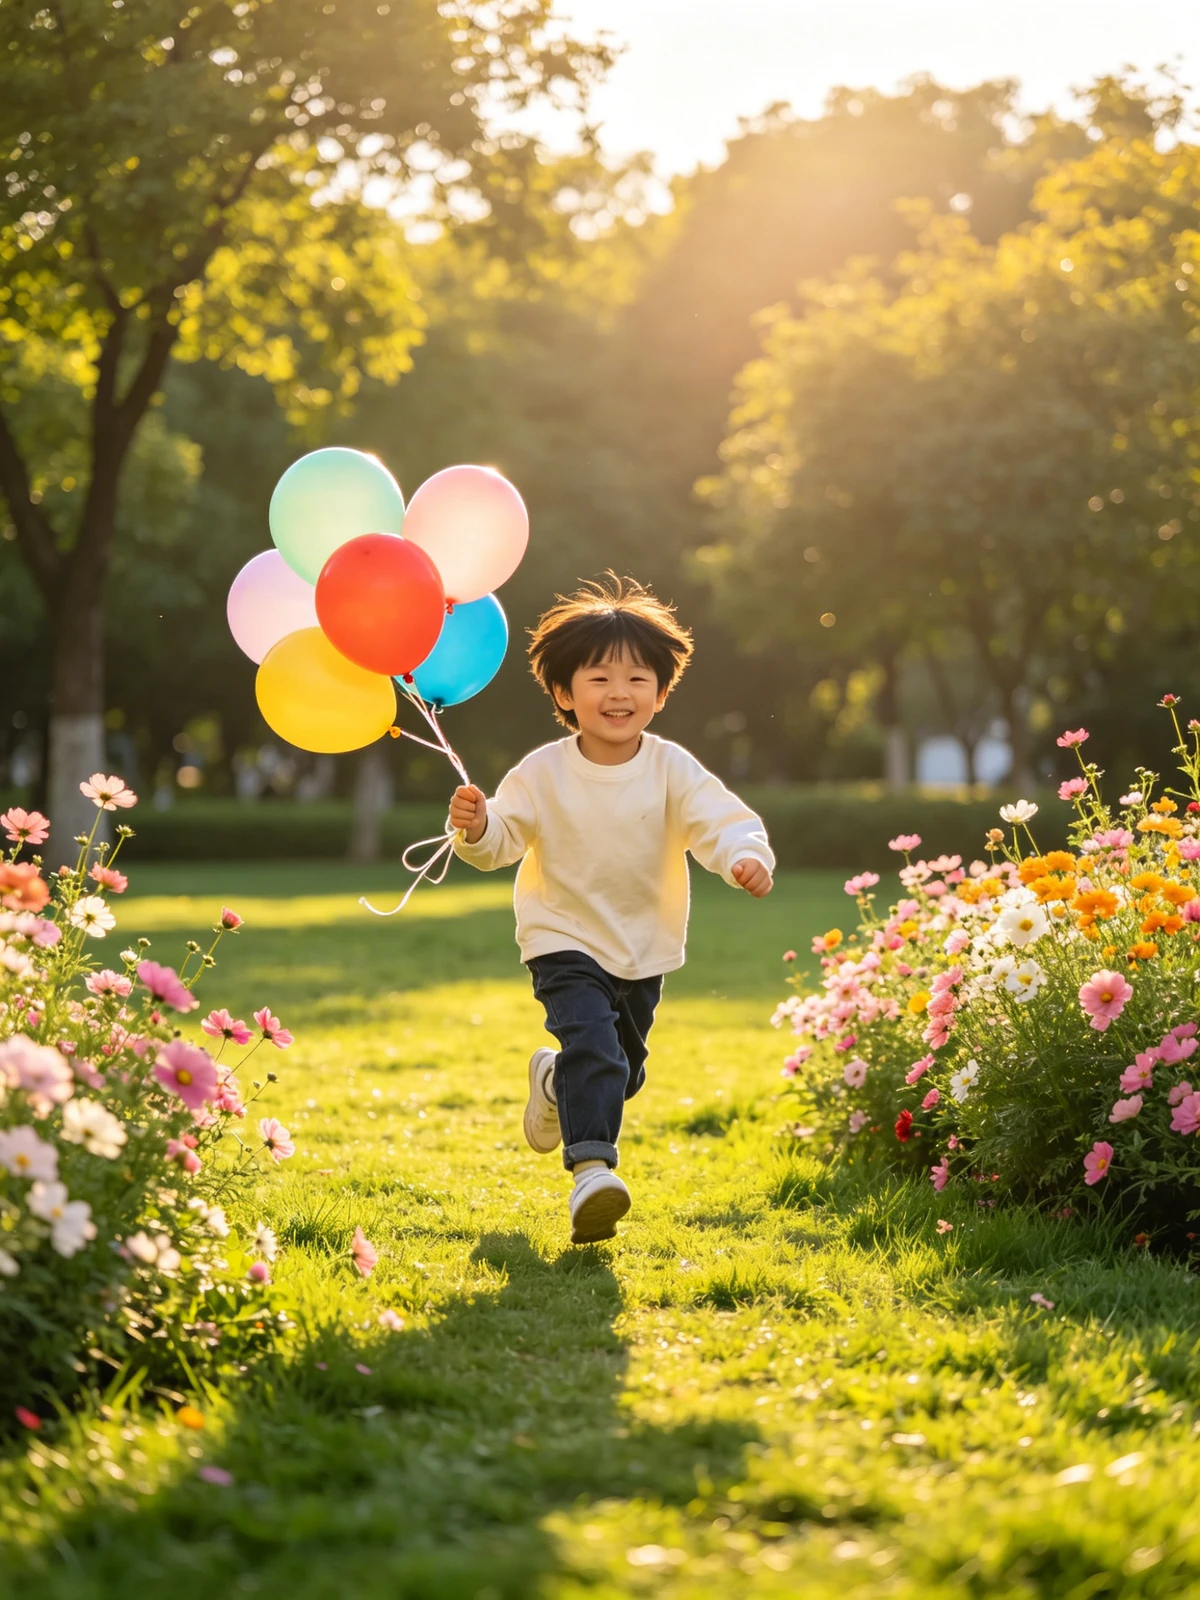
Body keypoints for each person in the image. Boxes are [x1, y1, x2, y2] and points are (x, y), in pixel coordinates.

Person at [448, 575, 774, 1244]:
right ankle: (592, 1171)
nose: (619, 693)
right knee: (594, 1049)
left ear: (659, 692)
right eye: (598, 679)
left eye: (636, 679)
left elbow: (721, 821)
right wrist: (477, 827)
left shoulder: (672, 768)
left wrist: (746, 857)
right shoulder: (540, 772)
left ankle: (552, 1078)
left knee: (618, 1071)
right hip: (561, 937)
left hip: (641, 945)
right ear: (565, 693)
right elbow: (501, 842)